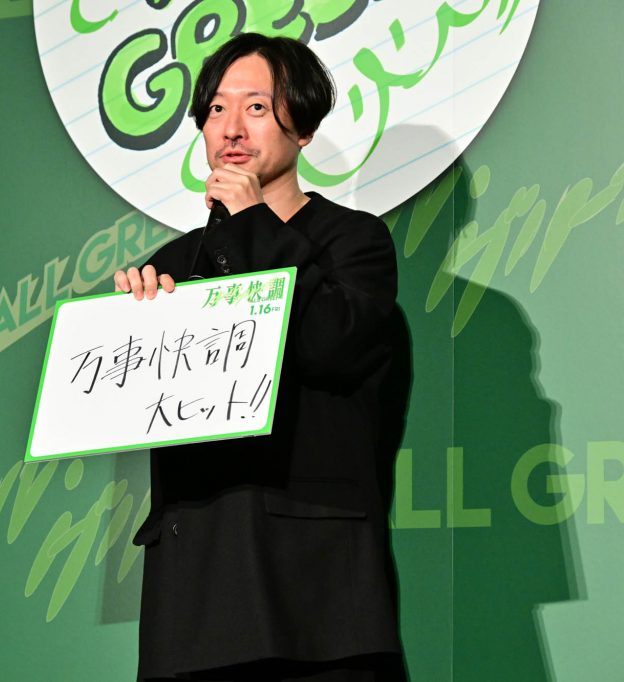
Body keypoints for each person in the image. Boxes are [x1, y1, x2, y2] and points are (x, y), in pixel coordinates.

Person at [113, 33, 407, 682]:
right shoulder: (173, 265)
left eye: (256, 107)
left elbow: (329, 346)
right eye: (216, 110)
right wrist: (131, 326)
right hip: (194, 594)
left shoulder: (352, 243)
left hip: (312, 596)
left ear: (303, 128)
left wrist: (251, 224)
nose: (231, 129)